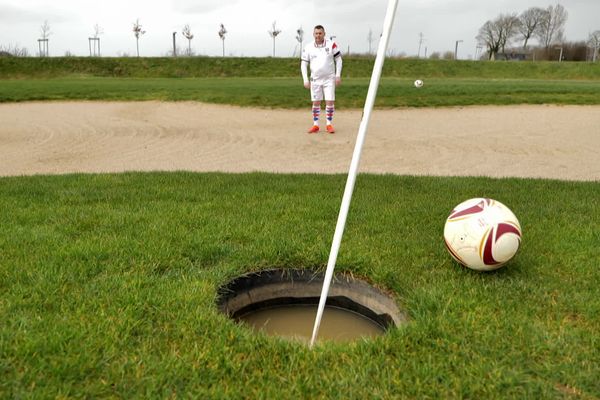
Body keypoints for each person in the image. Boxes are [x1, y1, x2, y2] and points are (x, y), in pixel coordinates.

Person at [300, 25, 342, 134]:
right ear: (313, 34)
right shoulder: (308, 47)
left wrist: (337, 75)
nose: (318, 35)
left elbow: (339, 59)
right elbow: (303, 64)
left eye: (320, 33)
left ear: (324, 34)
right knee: (316, 102)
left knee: (330, 101)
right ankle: (316, 125)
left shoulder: (331, 44)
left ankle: (329, 124)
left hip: (329, 79)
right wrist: (305, 79)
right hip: (315, 79)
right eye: (316, 33)